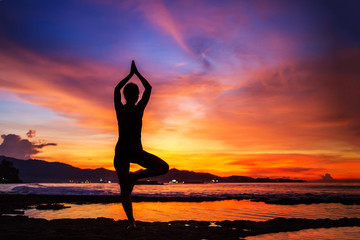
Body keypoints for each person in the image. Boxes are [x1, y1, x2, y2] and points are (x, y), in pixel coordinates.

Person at [114, 60, 169, 229]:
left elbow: (116, 89)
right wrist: (136, 73)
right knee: (164, 167)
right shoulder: (138, 109)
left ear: (124, 96)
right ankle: (135, 177)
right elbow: (149, 88)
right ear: (137, 96)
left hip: (122, 151)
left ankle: (131, 222)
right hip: (135, 151)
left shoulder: (120, 108)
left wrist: (129, 75)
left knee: (125, 190)